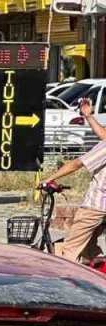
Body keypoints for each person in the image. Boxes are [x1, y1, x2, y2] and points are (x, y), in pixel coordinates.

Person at [43, 97, 106, 264]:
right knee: (88, 247)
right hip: (103, 210)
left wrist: (49, 178)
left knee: (69, 250)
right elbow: (104, 135)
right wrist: (88, 116)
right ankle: (94, 275)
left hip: (96, 206)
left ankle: (62, 281)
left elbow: (78, 163)